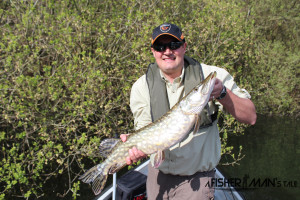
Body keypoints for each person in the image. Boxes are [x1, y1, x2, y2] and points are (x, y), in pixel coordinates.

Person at [120, 23, 256, 200]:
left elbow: (251, 116)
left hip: (197, 181)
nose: (167, 51)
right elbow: (144, 128)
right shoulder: (141, 87)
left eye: (174, 45)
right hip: (157, 177)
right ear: (153, 51)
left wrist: (223, 93)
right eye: (160, 47)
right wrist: (138, 149)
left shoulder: (211, 75)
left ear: (184, 47)